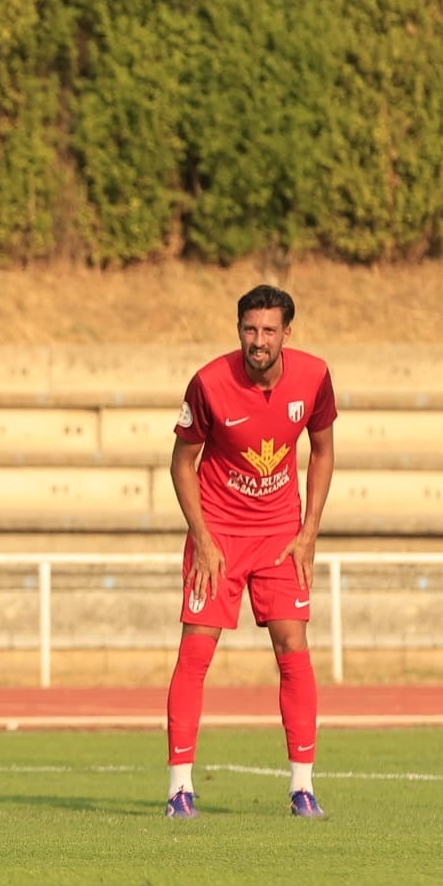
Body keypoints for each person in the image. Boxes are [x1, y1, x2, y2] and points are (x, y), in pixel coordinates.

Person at [164, 284, 336, 820]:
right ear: (238, 328)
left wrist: (308, 531)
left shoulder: (314, 377)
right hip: (217, 533)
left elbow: (323, 451)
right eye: (248, 329)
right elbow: (181, 464)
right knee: (196, 653)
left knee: (293, 648)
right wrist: (203, 539)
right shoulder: (210, 384)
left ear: (287, 332)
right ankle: (179, 790)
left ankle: (303, 788)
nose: (257, 340)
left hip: (280, 532)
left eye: (267, 330)